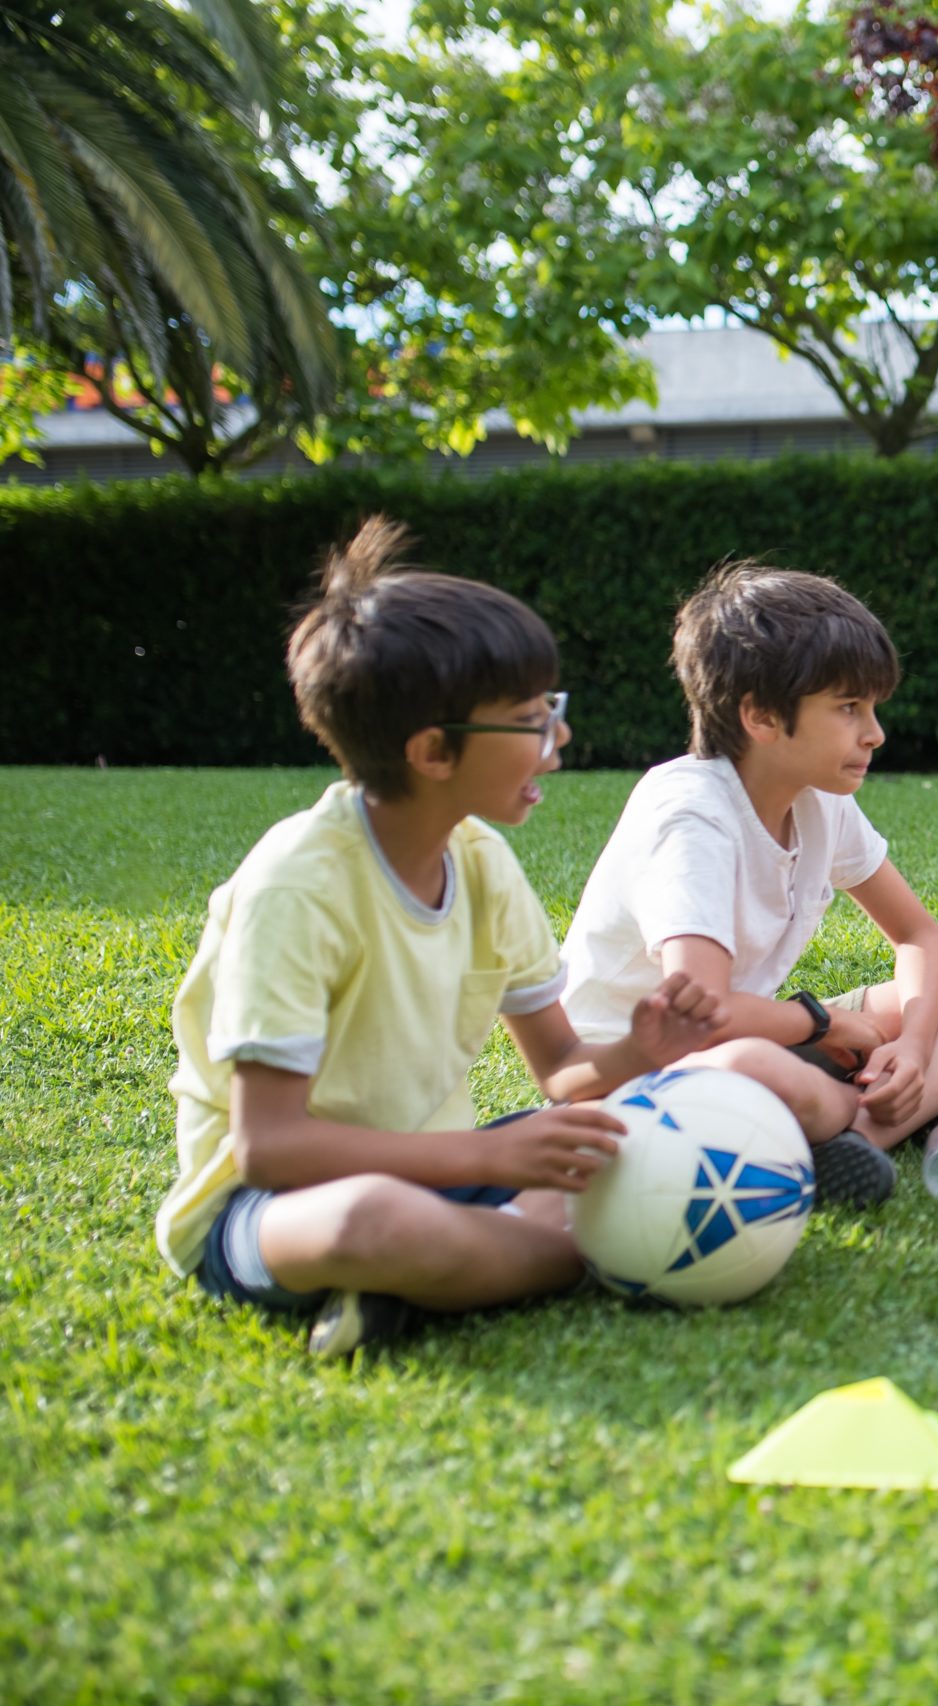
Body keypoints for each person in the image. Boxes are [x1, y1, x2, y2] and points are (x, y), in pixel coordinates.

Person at [160, 519, 727, 1358]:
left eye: (551, 710)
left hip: (442, 1167)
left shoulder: (481, 861)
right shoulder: (298, 884)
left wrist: (639, 1052)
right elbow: (269, 1144)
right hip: (270, 1205)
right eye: (531, 720)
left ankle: (422, 1292)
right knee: (371, 1220)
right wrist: (493, 1155)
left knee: (626, 1143)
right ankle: (589, 1260)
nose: (558, 738)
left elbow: (563, 1068)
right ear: (431, 751)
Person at [560, 562, 938, 1207]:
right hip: (641, 1077)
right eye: (847, 708)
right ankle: (881, 1116)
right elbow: (700, 1014)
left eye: (871, 707)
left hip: (755, 1038)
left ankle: (869, 1121)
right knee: (757, 1068)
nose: (875, 733)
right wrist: (821, 1023)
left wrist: (915, 1050)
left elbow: (918, 934)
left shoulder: (819, 797)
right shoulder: (692, 814)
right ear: (760, 716)